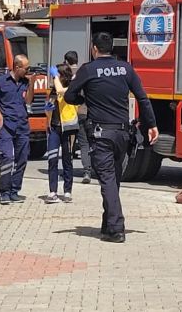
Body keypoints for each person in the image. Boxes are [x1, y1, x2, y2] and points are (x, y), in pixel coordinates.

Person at [65, 32, 158, 243]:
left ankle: (116, 228)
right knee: (113, 180)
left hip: (101, 135)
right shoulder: (126, 68)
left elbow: (70, 95)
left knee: (107, 179)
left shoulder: (88, 70)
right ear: (111, 48)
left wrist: (85, 97)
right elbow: (142, 98)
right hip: (123, 135)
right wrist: (152, 125)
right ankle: (108, 224)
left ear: (94, 49)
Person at [0, 54, 33, 205]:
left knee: (22, 158)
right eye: (26, 68)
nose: (28, 71)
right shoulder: (1, 81)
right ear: (17, 67)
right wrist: (0, 119)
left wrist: (31, 83)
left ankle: (15, 190)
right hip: (6, 126)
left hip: (22, 125)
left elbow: (28, 100)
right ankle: (4, 192)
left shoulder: (26, 82)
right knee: (7, 157)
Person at [45, 64, 79, 204]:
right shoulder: (54, 90)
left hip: (69, 129)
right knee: (52, 159)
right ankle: (53, 191)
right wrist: (47, 109)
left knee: (67, 160)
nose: (54, 78)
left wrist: (55, 76)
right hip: (54, 127)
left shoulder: (71, 89)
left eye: (56, 75)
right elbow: (49, 105)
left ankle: (67, 191)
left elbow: (61, 91)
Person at [65, 50, 95, 184]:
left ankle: (78, 171)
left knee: (77, 143)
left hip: (73, 113)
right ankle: (92, 170)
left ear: (66, 61)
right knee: (89, 143)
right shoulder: (86, 72)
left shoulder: (65, 72)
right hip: (88, 112)